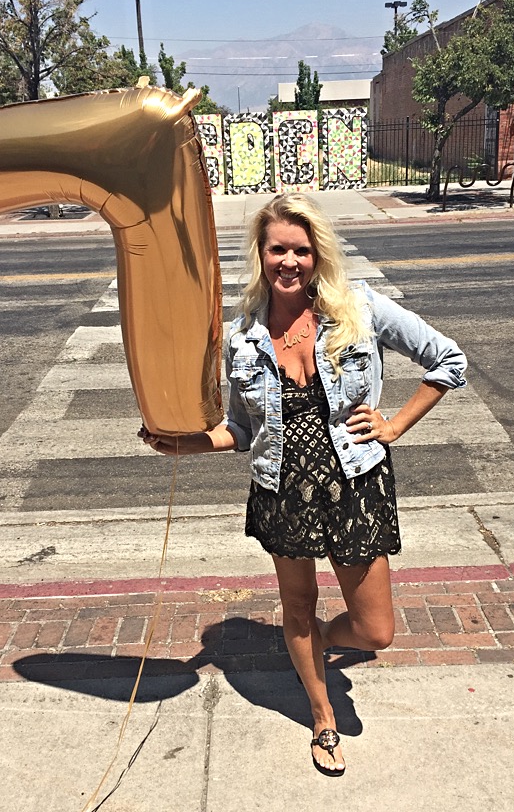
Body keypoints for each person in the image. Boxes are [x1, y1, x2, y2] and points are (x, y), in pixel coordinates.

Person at [142, 193, 467, 776]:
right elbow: (242, 429)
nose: (288, 261)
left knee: (375, 631)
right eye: (277, 250)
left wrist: (393, 424)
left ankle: (314, 642)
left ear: (317, 253)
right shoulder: (241, 334)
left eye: (300, 249)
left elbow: (447, 360)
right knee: (297, 605)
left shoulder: (358, 309)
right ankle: (322, 718)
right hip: (283, 489)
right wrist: (183, 443)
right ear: (260, 255)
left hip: (354, 487)